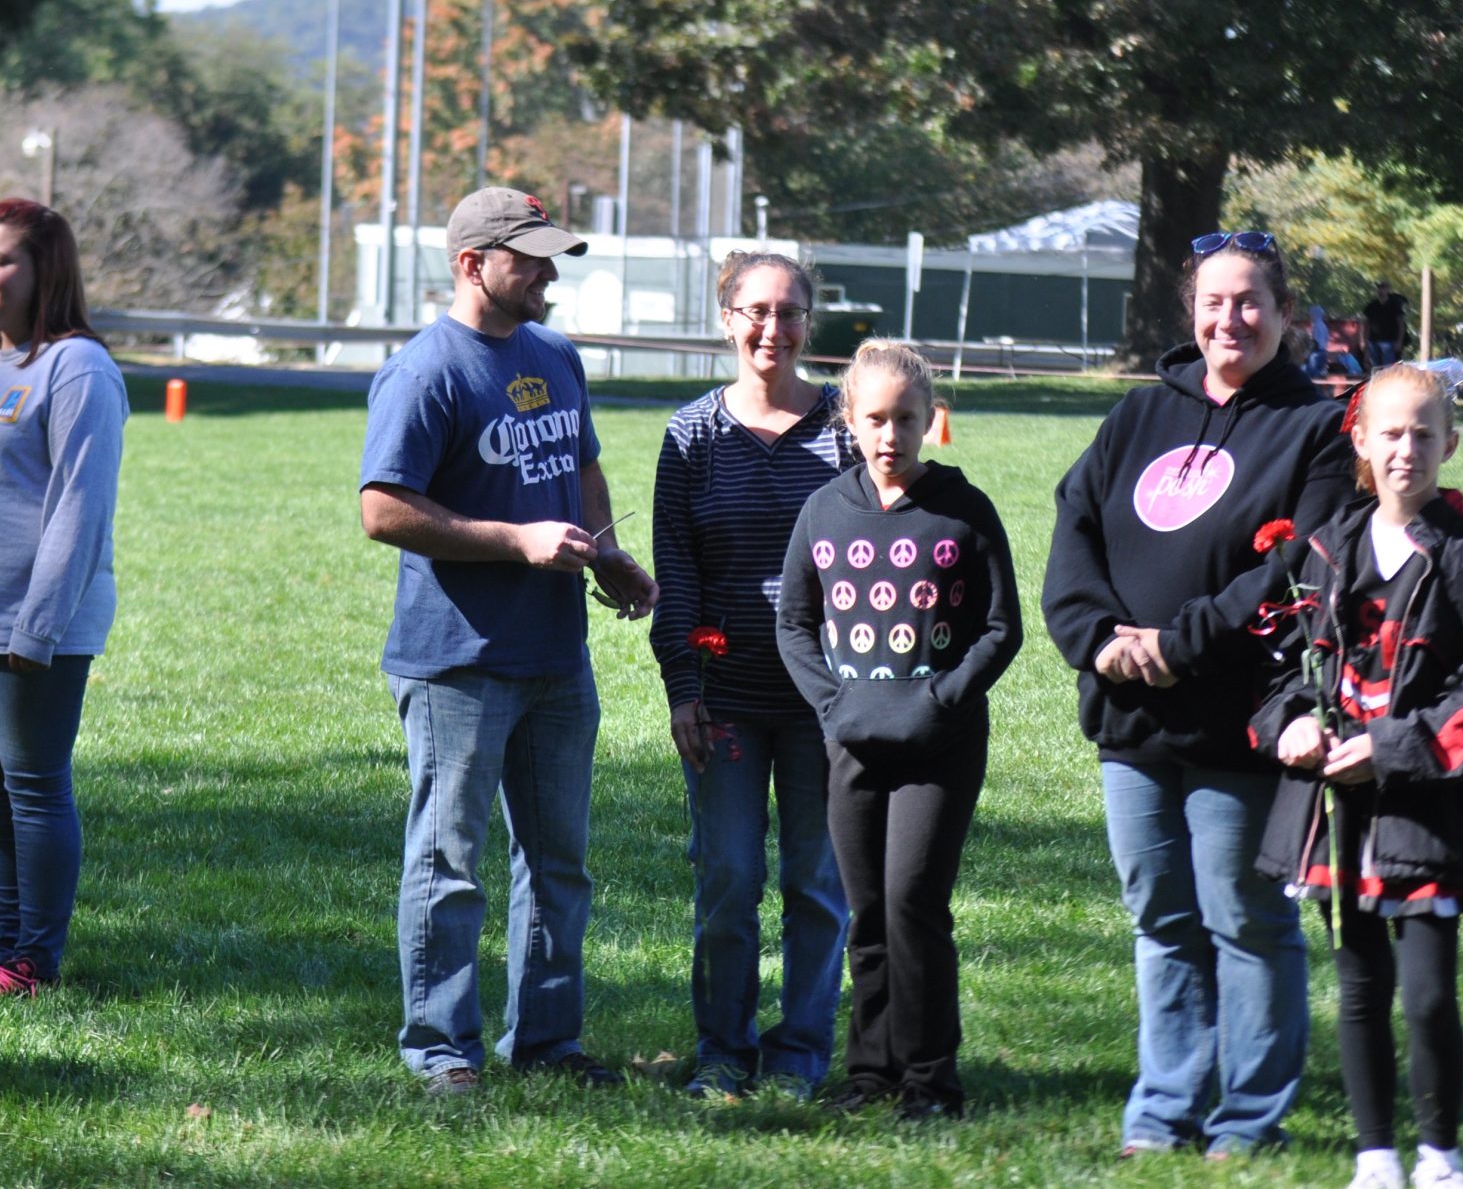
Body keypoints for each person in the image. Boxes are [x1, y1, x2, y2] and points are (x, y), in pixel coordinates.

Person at [1040, 230, 1356, 1158]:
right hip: (1131, 715)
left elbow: (1304, 563)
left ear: (1285, 314)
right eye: (1215, 301)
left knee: (1245, 917)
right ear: (1192, 311)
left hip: (1242, 716)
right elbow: (1075, 533)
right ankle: (1162, 1111)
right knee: (1162, 918)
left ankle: (1249, 1121)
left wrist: (1182, 644)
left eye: (1251, 301)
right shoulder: (1138, 417)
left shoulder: (1317, 427)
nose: (1232, 318)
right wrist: (1098, 640)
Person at [358, 186, 659, 1098]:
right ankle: (442, 1047)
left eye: (549, 253)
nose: (547, 271)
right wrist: (517, 540)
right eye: (527, 256)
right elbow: (381, 510)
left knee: (558, 862)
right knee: (450, 863)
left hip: (555, 654)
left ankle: (549, 1043)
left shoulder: (554, 355)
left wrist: (605, 554)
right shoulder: (426, 373)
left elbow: (583, 465)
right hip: (459, 658)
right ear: (470, 263)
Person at [1252, 363, 1463, 1189]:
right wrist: (1289, 722)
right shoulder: (1324, 546)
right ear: (1362, 442)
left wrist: (1392, 747)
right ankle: (1375, 1160)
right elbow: (1274, 660)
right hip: (1337, 808)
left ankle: (1441, 1158)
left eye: (1423, 433)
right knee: (1360, 985)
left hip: (1426, 807)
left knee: (1430, 990)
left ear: (1450, 442)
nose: (1407, 449)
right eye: (1390, 433)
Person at [775, 341, 1021, 1120]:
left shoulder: (963, 507)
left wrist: (942, 700)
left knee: (914, 901)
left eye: (905, 420)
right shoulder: (824, 510)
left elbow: (1000, 627)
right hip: (850, 743)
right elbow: (794, 621)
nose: (890, 436)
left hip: (938, 747)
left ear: (930, 420)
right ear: (848, 419)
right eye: (874, 419)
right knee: (868, 912)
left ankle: (930, 1080)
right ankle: (871, 1072)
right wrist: (832, 705)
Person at [649, 251, 856, 1103]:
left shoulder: (850, 427)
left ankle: (801, 1054)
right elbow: (678, 570)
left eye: (792, 311)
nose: (775, 328)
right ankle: (723, 1054)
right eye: (757, 311)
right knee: (728, 879)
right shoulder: (692, 435)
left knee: (818, 883)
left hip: (827, 703)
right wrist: (683, 689)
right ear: (728, 320)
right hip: (726, 700)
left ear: (812, 321)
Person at [0, 200, 129, 999]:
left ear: (46, 271)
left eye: (3, 259)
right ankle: (1, 944)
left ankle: (35, 960)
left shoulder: (78, 368)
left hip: (29, 628)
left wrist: (38, 626)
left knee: (36, 788)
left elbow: (81, 508)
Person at [1363, 283, 1407, 370]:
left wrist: (1399, 341)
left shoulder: (1394, 305)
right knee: (1376, 367)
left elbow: (1401, 325)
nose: (1381, 290)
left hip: (1389, 341)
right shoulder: (1372, 306)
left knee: (1388, 367)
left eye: (1384, 288)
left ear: (1388, 290)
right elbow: (1366, 325)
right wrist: (1365, 342)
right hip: (1373, 341)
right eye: (1379, 288)